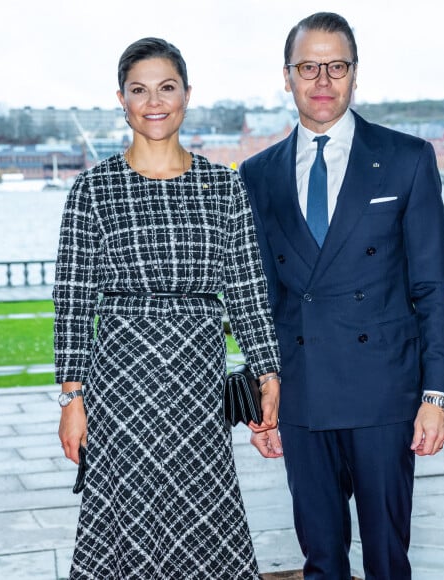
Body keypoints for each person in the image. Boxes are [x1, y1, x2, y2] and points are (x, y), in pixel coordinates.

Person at [54, 37, 281, 579]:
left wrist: (268, 371)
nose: (154, 101)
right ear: (122, 99)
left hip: (198, 381)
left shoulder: (223, 188)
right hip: (122, 383)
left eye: (166, 87)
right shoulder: (92, 191)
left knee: (204, 513)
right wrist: (71, 397)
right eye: (139, 90)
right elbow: (73, 301)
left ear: (186, 96)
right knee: (126, 515)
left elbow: (247, 289)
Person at [240, 12, 444, 580]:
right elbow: (258, 298)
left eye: (337, 66)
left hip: (385, 393)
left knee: (388, 560)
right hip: (303, 392)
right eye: (308, 66)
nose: (323, 80)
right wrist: (260, 398)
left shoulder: (407, 158)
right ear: (286, 77)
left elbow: (433, 286)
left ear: (355, 74)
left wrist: (437, 395)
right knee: (321, 560)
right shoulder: (256, 175)